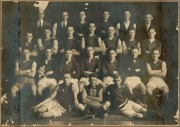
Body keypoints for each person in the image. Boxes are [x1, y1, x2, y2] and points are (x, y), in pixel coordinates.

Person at [10, 48, 37, 114]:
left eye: (27, 53)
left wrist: (21, 72)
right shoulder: (18, 61)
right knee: (13, 89)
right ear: (22, 54)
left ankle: (34, 108)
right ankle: (16, 108)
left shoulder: (33, 62)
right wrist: (27, 71)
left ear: (29, 54)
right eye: (24, 53)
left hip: (30, 80)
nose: (25, 54)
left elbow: (33, 75)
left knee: (34, 89)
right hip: (20, 81)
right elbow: (16, 73)